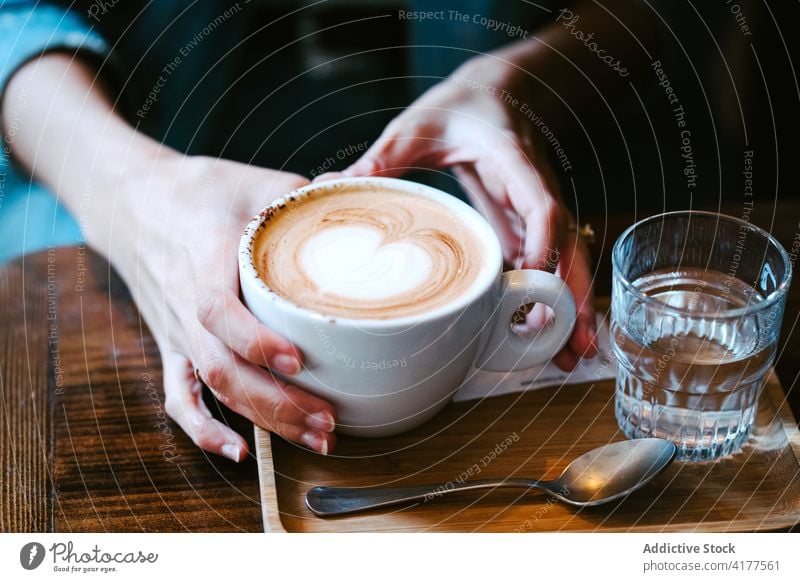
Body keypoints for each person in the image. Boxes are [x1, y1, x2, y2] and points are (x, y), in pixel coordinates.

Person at [1, 1, 656, 460]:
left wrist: (514, 81)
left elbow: (677, 14)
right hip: (133, 181)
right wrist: (124, 187)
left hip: (491, 198)